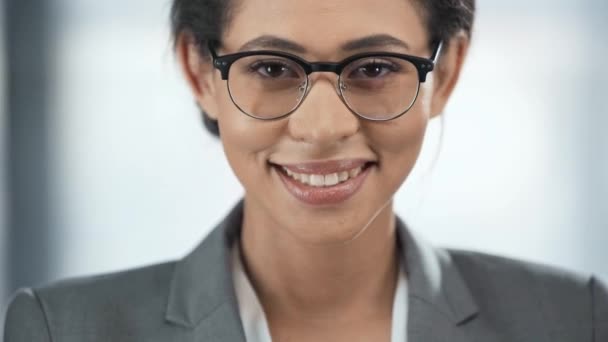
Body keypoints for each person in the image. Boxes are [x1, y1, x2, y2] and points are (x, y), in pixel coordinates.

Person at [3, 0, 608, 341]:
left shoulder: (572, 321)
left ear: (443, 76)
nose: (323, 128)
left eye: (374, 68)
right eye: (271, 68)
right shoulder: (61, 331)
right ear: (199, 73)